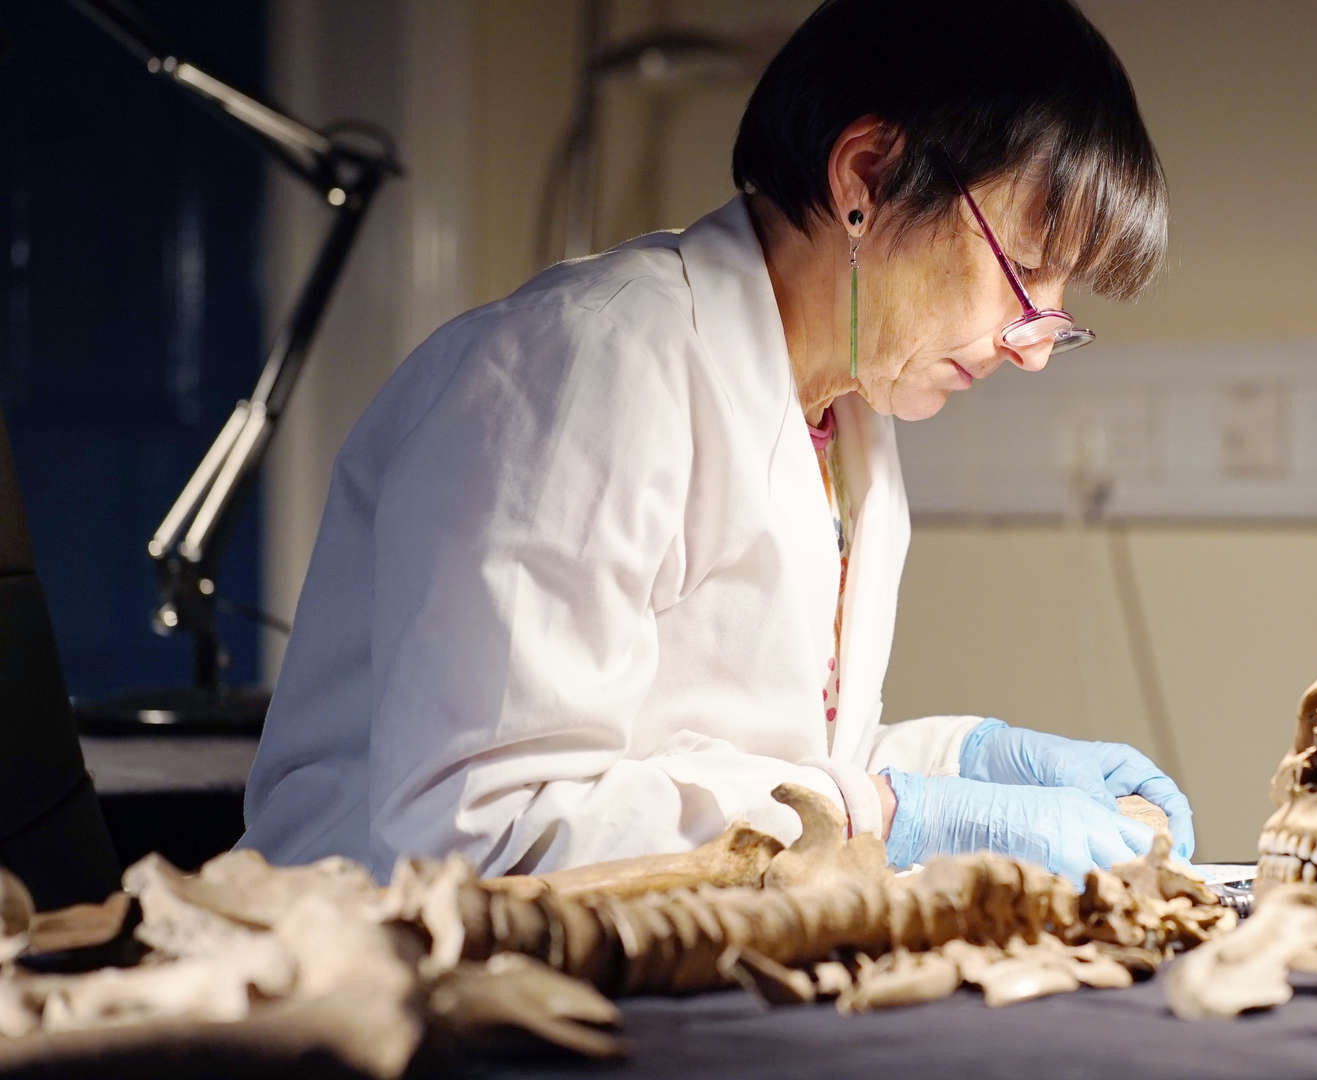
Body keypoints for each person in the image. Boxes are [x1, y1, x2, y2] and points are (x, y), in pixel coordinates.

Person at [239, 0, 1192, 883]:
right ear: (865, 177)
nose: (1035, 347)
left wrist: (966, 762)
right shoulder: (586, 365)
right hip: (375, 962)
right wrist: (893, 816)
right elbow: (488, 833)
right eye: (1024, 269)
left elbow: (751, 760)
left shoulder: (846, 414)